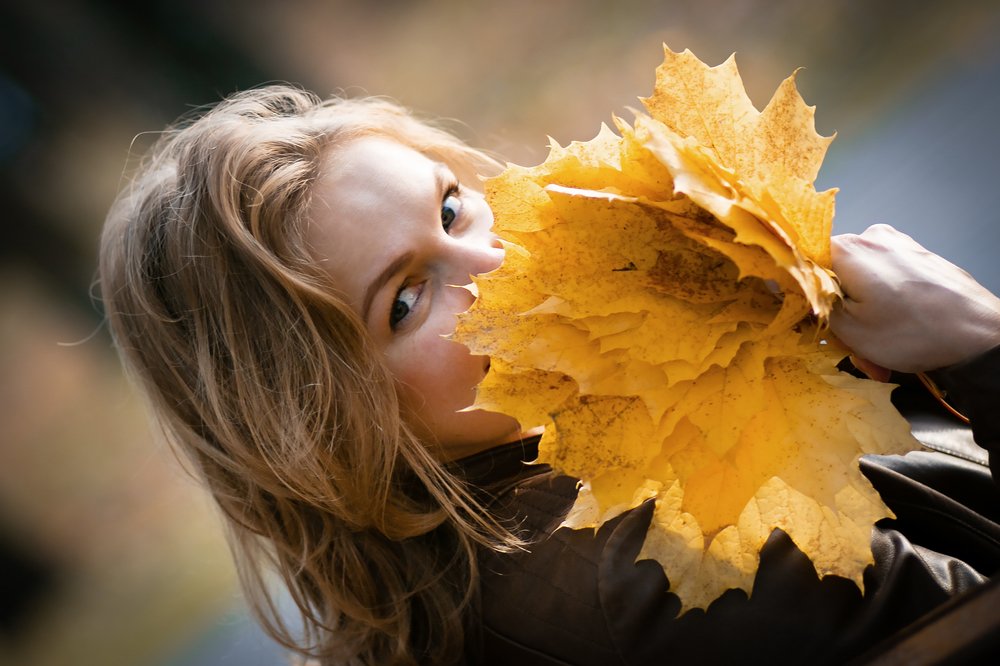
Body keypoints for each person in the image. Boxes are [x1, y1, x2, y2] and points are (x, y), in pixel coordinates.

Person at [99, 85, 1000, 665]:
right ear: (319, 430)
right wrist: (977, 344)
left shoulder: (597, 435)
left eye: (453, 207)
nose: (494, 263)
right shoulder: (664, 562)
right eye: (405, 300)